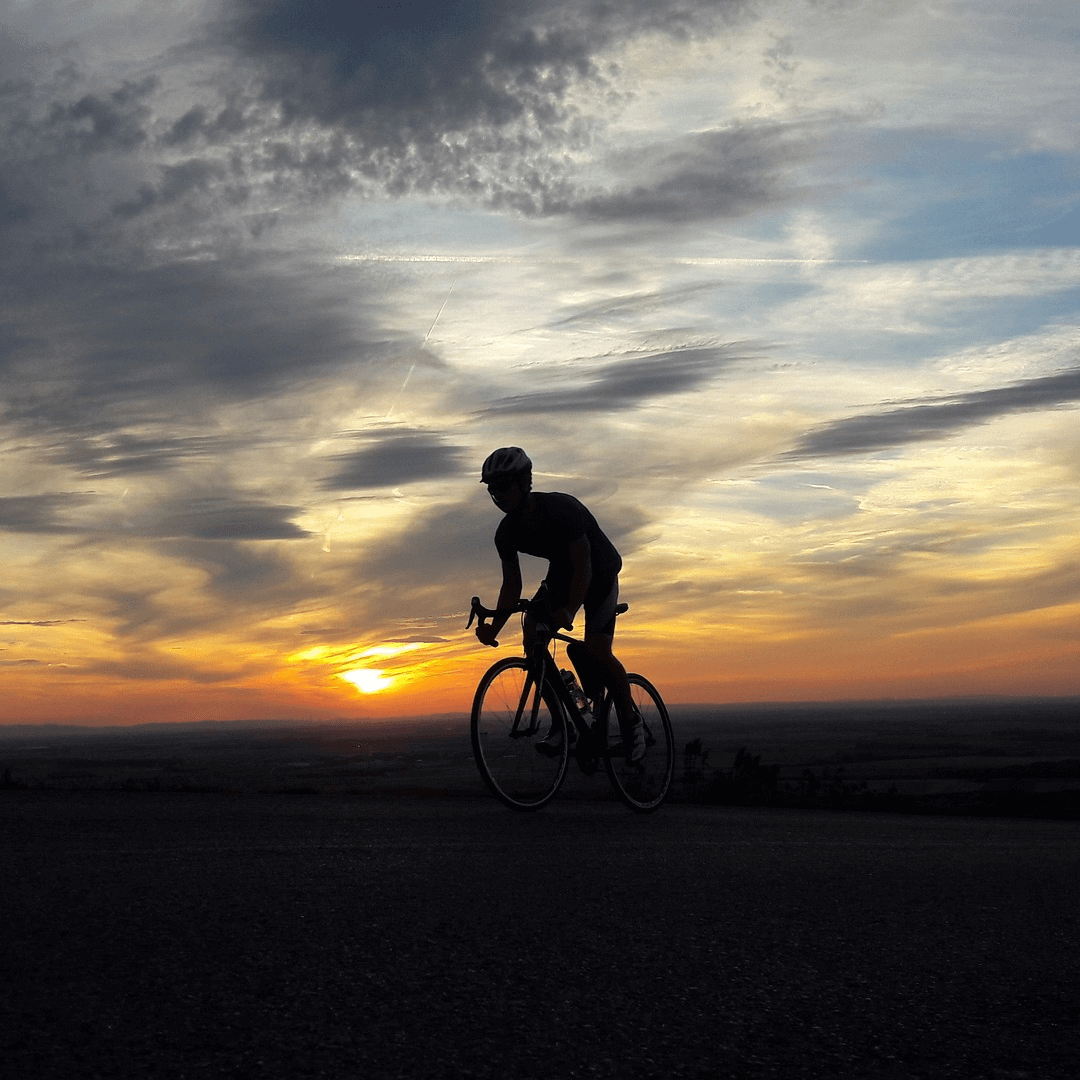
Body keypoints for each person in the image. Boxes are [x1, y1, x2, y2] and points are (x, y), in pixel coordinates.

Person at [475, 446, 644, 763]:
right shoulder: (506, 534)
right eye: (492, 488)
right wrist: (494, 628)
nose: (498, 494)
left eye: (504, 485)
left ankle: (631, 724)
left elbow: (585, 568)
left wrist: (567, 611)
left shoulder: (561, 510)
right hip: (564, 574)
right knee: (532, 635)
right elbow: (512, 586)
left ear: (525, 481)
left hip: (600, 572)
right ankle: (563, 721)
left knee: (597, 649)